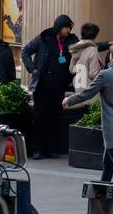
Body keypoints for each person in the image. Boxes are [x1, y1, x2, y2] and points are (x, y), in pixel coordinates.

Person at [62, 42, 113, 209]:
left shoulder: (106, 75)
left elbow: (87, 93)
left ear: (111, 57)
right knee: (108, 159)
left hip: (112, 124)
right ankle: (103, 189)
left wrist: (68, 100)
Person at [22, 15, 75, 158]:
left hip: (59, 85)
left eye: (69, 27)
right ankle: (37, 148)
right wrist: (32, 69)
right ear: (59, 27)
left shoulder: (71, 41)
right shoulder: (44, 38)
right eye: (66, 27)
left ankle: (51, 148)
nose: (68, 30)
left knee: (55, 118)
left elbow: (86, 46)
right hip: (43, 85)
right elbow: (25, 51)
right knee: (40, 117)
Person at [68, 23, 107, 108]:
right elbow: (93, 74)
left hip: (78, 88)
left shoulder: (75, 49)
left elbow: (71, 69)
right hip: (90, 91)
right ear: (94, 35)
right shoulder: (92, 49)